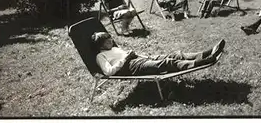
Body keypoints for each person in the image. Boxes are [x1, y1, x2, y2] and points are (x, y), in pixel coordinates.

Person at [92, 32, 225, 76]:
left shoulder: (114, 48)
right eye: (107, 40)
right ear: (100, 45)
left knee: (176, 55)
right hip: (132, 67)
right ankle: (206, 60)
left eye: (110, 38)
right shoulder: (100, 56)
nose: (111, 40)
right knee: (167, 63)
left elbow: (126, 54)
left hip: (140, 58)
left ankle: (207, 52)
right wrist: (126, 57)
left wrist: (138, 55)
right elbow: (108, 72)